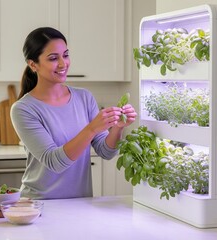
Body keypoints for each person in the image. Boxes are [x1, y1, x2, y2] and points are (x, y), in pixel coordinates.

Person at [10, 27, 137, 200]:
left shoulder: (84, 97)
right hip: (40, 205)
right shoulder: (23, 109)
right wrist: (92, 128)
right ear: (33, 64)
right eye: (53, 58)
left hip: (81, 203)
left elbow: (106, 152)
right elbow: (54, 162)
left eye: (66, 55)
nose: (63, 64)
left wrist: (117, 129)